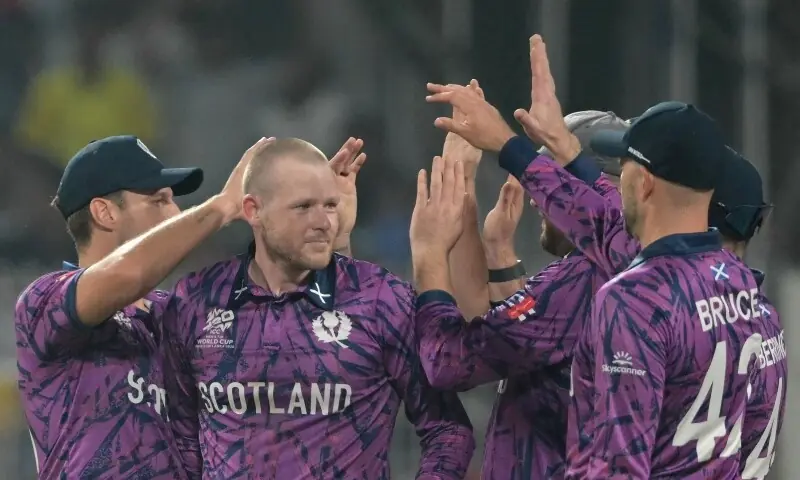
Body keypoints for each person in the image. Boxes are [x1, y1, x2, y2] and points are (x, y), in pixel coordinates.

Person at [424, 34, 785, 479]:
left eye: (626, 164)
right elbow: (604, 224)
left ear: (643, 183)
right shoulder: (746, 293)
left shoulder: (633, 295)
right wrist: (532, 155)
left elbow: (454, 361)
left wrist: (429, 258)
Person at [161, 138, 475, 479]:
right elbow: (182, 438)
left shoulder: (381, 300)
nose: (324, 221)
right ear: (253, 210)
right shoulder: (195, 301)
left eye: (329, 205)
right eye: (303, 207)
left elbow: (448, 430)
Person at [416, 101, 627, 479]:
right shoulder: (632, 270)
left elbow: (450, 363)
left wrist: (429, 254)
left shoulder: (584, 277)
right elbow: (521, 343)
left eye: (553, 179)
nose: (538, 197)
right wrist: (498, 254)